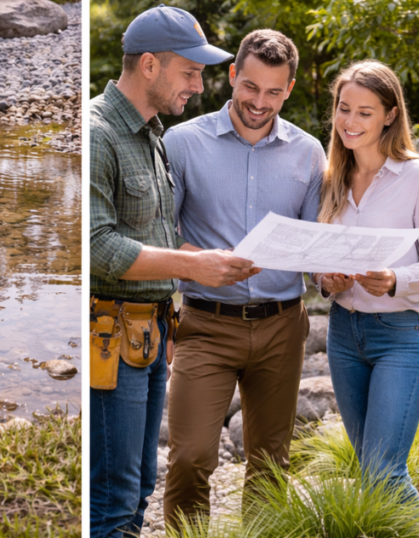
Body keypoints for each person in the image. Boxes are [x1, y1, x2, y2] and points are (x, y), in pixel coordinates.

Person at [89, 5, 258, 537]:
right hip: (109, 338)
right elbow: (95, 245)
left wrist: (207, 258)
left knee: (139, 487)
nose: (200, 86)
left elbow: (147, 234)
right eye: (190, 72)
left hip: (153, 334)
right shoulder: (96, 133)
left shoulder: (151, 134)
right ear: (148, 66)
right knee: (112, 498)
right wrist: (191, 265)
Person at [161, 29, 326, 532]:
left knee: (272, 461)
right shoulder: (181, 142)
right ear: (233, 76)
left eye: (273, 92)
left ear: (289, 89)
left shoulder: (309, 152)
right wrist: (199, 260)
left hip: (283, 326)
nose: (259, 102)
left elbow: (316, 245)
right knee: (189, 456)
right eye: (250, 87)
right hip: (205, 325)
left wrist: (333, 273)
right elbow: (159, 234)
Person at [315, 59, 419, 506]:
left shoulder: (418, 177)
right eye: (345, 109)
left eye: (365, 112)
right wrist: (327, 279)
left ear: (390, 114)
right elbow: (317, 258)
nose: (350, 122)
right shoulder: (331, 179)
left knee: (384, 470)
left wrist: (397, 278)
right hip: (343, 335)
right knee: (368, 466)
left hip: (402, 336)